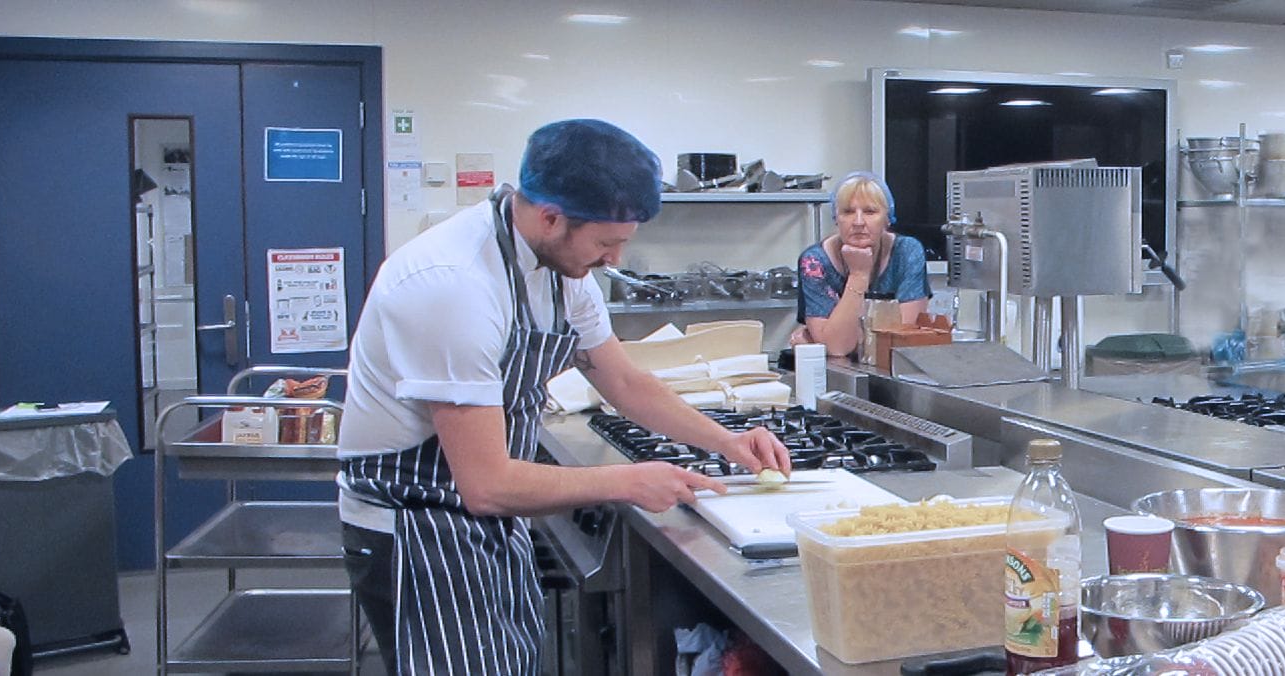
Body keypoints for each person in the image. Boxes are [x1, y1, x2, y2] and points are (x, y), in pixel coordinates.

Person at [335, 119, 791, 675]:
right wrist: (627, 481)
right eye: (605, 243)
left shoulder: (560, 270)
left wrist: (727, 441)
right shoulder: (452, 285)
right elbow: (487, 484)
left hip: (486, 518)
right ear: (550, 217)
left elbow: (624, 383)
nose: (614, 260)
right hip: (416, 528)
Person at [788, 172, 930, 356]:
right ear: (836, 218)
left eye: (870, 212)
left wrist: (827, 337)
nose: (858, 222)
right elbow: (838, 348)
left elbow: (902, 339)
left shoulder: (907, 252)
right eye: (848, 212)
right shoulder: (814, 261)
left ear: (887, 218)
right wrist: (858, 275)